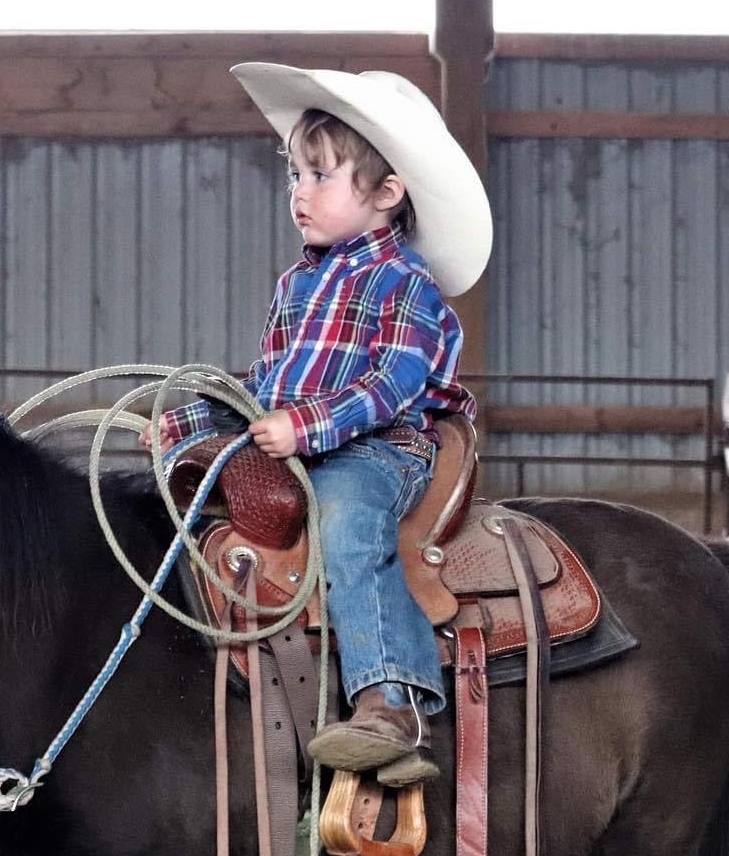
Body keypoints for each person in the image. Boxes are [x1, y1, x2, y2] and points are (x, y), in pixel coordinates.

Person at [149, 63, 492, 785]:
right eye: (294, 175)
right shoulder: (298, 284)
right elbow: (263, 386)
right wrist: (181, 423)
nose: (299, 193)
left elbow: (394, 385)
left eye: (321, 176)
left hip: (384, 448)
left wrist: (304, 428)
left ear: (387, 194)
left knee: (346, 521)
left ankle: (390, 700)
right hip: (303, 441)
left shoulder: (406, 283)